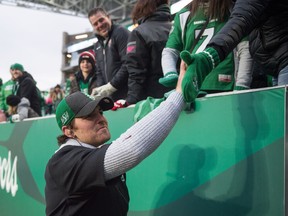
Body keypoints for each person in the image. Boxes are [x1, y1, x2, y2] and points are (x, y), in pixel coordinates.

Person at [44, 60, 188, 215]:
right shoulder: (63, 162)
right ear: (69, 131)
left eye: (100, 112)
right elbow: (131, 149)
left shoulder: (94, 152)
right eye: (88, 115)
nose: (101, 118)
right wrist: (178, 96)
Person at [179, 0, 288, 102]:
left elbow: (241, 19)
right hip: (276, 64)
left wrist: (208, 58)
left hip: (283, 60)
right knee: (281, 117)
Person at [160, 0, 253, 95]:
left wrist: (170, 72)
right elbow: (245, 49)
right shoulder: (233, 9)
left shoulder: (184, 13)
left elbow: (169, 51)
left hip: (194, 83)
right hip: (222, 82)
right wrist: (242, 84)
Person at [114, 0, 173, 108]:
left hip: (153, 103)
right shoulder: (177, 28)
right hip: (179, 97)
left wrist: (130, 100)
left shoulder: (139, 33)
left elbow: (136, 72)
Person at [88, 7, 130, 101]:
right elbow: (99, 72)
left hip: (126, 95)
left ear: (108, 17)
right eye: (95, 24)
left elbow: (128, 63)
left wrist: (111, 86)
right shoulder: (97, 45)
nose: (100, 25)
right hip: (111, 98)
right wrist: (101, 90)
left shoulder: (120, 32)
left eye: (101, 20)